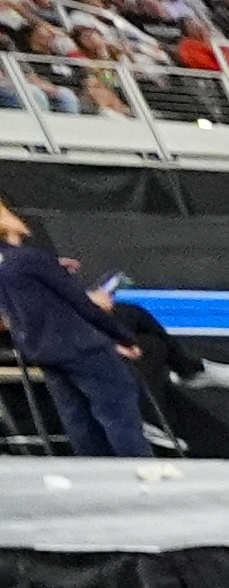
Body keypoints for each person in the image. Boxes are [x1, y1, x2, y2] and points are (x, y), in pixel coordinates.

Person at [0, 194, 142, 457]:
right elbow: (81, 304)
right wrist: (123, 337)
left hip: (40, 349)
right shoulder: (31, 259)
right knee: (117, 408)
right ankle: (136, 468)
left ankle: (94, 476)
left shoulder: (16, 264)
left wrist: (51, 268)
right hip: (78, 345)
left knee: (76, 415)